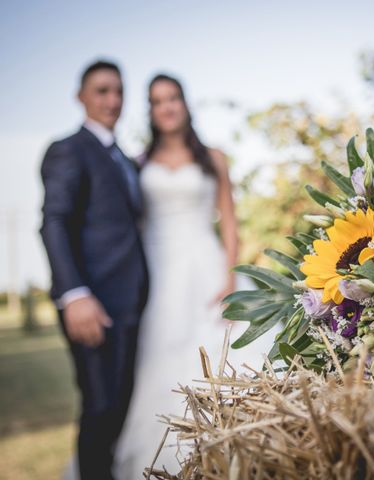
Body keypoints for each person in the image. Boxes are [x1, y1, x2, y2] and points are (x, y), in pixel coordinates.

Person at [114, 73, 245, 478]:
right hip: (157, 275)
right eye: (157, 101)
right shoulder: (138, 163)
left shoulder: (214, 157)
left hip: (206, 267)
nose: (166, 106)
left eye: (173, 98)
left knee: (219, 352)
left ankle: (226, 451)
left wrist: (231, 276)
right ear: (150, 111)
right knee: (159, 359)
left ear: (185, 104)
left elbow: (230, 222)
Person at [40, 60, 148, 480]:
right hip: (93, 305)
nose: (112, 100)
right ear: (80, 96)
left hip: (130, 304)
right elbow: (53, 221)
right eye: (102, 91)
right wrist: (75, 294)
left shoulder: (123, 157)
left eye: (118, 91)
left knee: (120, 408)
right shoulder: (68, 149)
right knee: (100, 409)